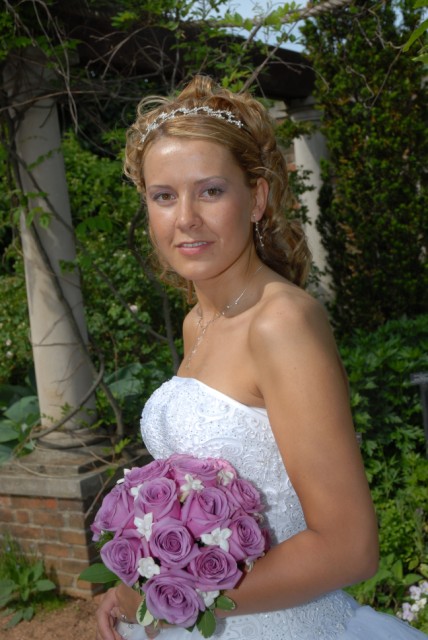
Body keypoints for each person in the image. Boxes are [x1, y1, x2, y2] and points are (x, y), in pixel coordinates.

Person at [95, 75, 427, 640]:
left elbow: (349, 548)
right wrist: (148, 576)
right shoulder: (197, 322)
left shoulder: (282, 323)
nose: (185, 218)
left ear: (257, 199)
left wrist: (164, 594)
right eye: (164, 196)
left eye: (210, 191)